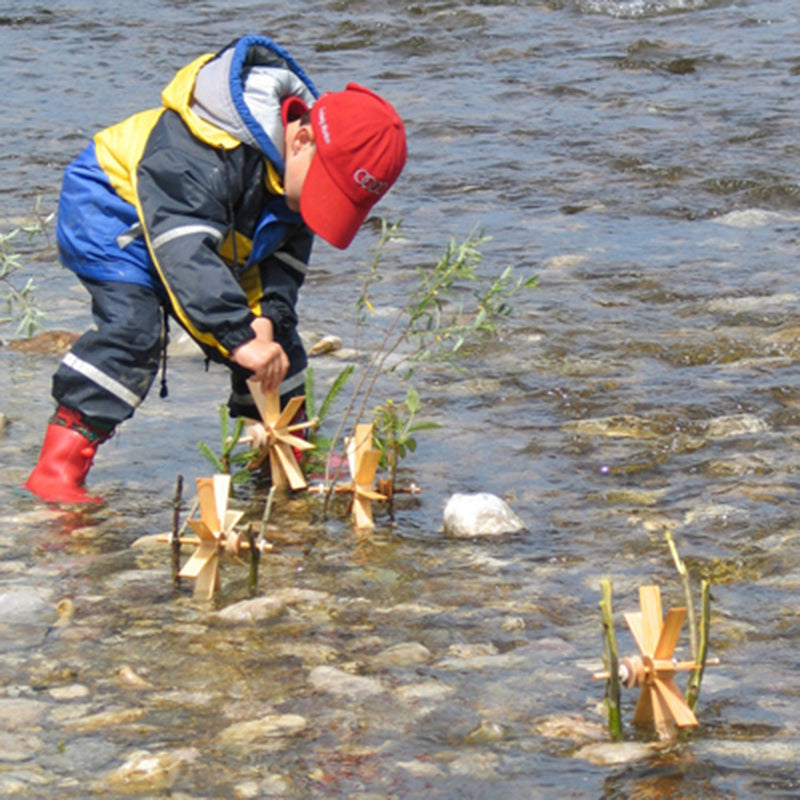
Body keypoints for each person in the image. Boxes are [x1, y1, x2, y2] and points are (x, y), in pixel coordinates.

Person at [22, 33, 407, 504]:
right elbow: (184, 254)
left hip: (213, 230)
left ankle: (280, 454)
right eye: (324, 193)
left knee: (277, 346)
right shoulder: (200, 151)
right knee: (135, 330)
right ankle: (58, 467)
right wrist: (236, 336)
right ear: (301, 138)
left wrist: (266, 317)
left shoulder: (293, 177)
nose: (319, 208)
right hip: (112, 210)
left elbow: (282, 260)